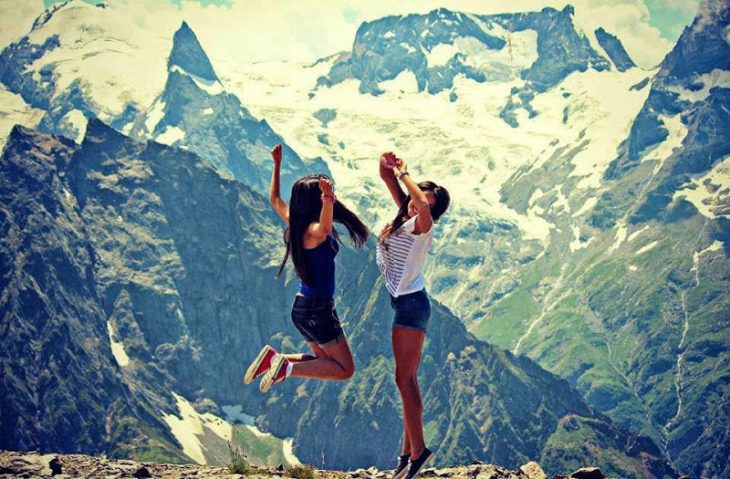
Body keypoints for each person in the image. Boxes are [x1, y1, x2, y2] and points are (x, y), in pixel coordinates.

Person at [243, 144, 369, 392]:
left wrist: (276, 164)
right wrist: (328, 200)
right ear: (315, 203)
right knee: (345, 369)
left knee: (325, 362)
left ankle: (274, 360)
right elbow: (323, 228)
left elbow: (275, 200)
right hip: (317, 309)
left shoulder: (295, 223)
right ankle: (288, 368)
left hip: (302, 308)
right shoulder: (313, 232)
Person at [376, 152, 450, 479]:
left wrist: (407, 174)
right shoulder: (405, 216)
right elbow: (384, 173)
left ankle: (418, 451)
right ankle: (407, 452)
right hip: (407, 303)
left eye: (426, 203)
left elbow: (419, 204)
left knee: (403, 379)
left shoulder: (424, 225)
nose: (417, 204)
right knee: (408, 380)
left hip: (410, 305)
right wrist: (389, 161)